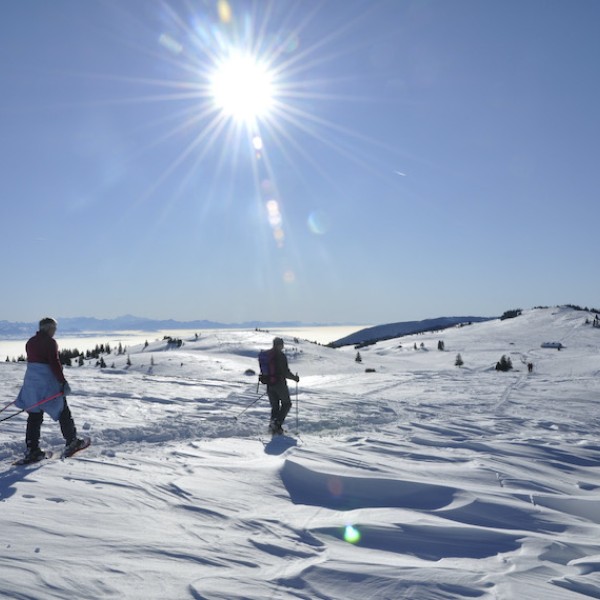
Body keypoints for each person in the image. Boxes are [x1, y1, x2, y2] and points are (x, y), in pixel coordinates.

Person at [15, 317, 85, 461]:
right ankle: (72, 441)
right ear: (48, 328)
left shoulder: (30, 342)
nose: (55, 331)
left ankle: (32, 449)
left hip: (31, 384)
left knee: (34, 416)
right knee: (63, 410)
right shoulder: (50, 342)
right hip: (47, 383)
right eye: (54, 328)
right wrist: (63, 382)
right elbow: (54, 363)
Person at [266, 337, 299, 434]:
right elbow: (285, 372)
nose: (283, 346)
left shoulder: (267, 355)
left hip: (269, 384)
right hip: (279, 384)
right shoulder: (280, 356)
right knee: (287, 404)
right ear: (279, 345)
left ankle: (273, 427)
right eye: (282, 344)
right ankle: (277, 424)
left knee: (275, 407)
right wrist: (295, 378)